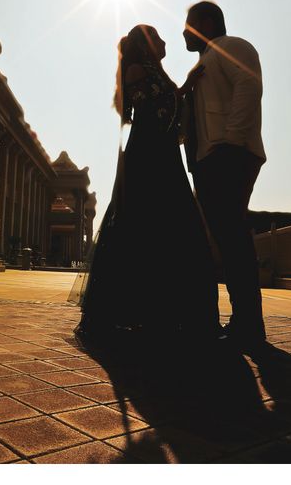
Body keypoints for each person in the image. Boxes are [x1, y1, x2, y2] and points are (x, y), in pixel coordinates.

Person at [70, 24, 221, 342]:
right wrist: (184, 90)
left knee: (170, 223)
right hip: (147, 154)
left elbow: (168, 108)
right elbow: (154, 112)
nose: (166, 41)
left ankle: (168, 313)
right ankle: (139, 311)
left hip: (162, 152)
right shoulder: (137, 70)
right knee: (143, 220)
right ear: (147, 44)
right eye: (159, 37)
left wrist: (186, 87)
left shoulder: (156, 72)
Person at [182, 1, 267, 345]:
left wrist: (231, 141)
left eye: (188, 24)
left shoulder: (233, 47)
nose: (184, 33)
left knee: (233, 239)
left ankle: (249, 324)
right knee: (227, 242)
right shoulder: (203, 64)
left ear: (205, 22)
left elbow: (249, 88)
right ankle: (244, 320)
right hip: (208, 159)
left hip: (228, 154)